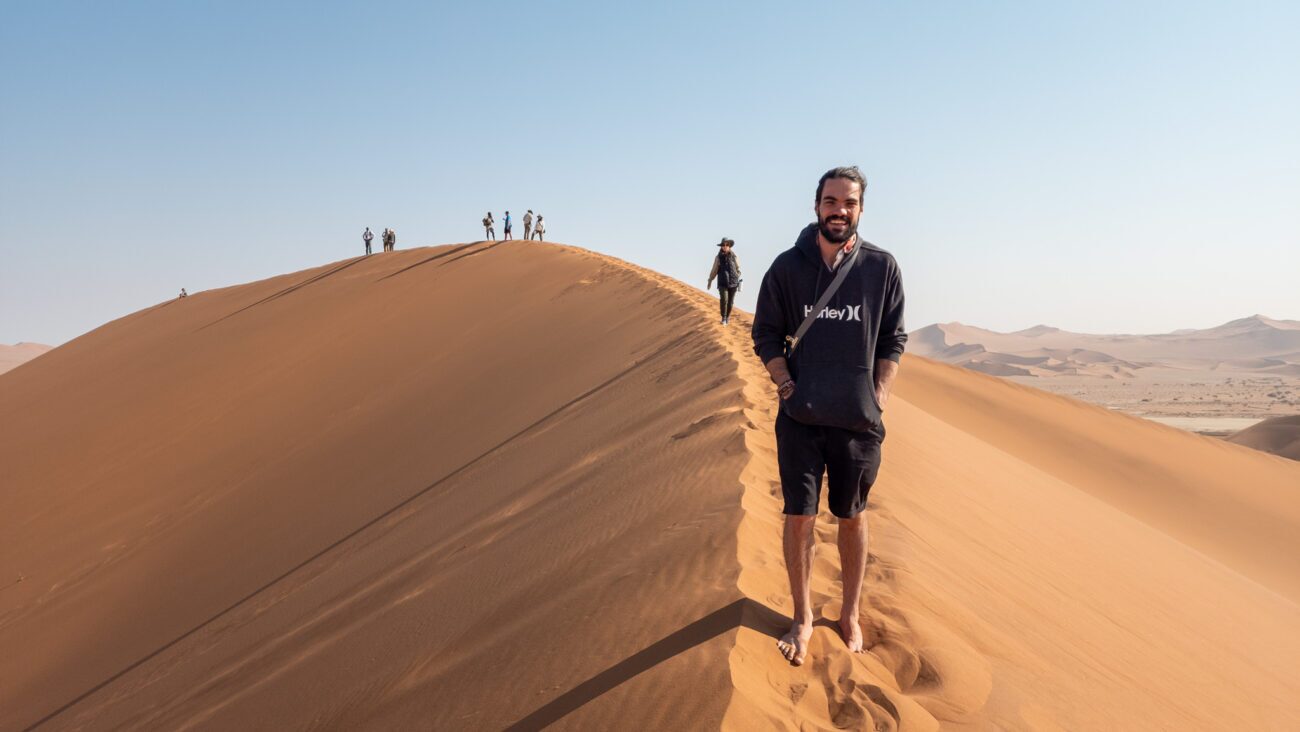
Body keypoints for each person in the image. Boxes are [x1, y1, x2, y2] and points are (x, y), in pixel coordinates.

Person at [750, 166, 907, 667]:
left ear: (861, 209)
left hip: (857, 423)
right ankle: (801, 617)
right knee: (799, 517)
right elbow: (765, 334)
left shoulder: (882, 268)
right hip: (800, 418)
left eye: (849, 203)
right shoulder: (787, 268)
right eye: (831, 201)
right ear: (816, 205)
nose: (839, 210)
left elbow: (894, 338)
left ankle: (850, 613)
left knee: (852, 516)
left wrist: (878, 392)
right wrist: (786, 383)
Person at [707, 237, 742, 325]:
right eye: (723, 245)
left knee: (730, 302)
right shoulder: (718, 257)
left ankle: (728, 317)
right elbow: (714, 269)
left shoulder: (734, 256)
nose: (725, 246)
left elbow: (738, 268)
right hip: (722, 282)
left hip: (734, 283)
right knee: (724, 299)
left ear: (729, 246)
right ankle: (724, 317)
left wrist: (738, 274)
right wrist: (710, 280)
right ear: (721, 246)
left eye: (727, 245)